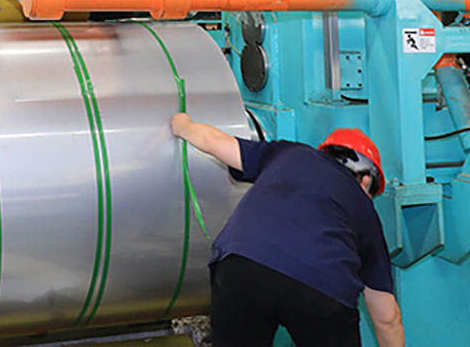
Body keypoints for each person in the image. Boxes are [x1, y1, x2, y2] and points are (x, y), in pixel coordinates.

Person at [170, 115, 404, 347]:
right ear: (365, 181)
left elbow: (214, 142)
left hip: (240, 264)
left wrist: (183, 125)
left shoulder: (289, 153)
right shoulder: (364, 209)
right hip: (322, 285)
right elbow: (387, 318)